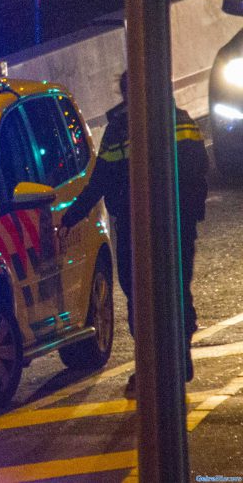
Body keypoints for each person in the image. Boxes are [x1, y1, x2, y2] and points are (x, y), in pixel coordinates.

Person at [59, 71, 208, 397]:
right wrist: (192, 214)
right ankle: (176, 357)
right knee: (174, 291)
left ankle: (155, 367)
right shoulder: (180, 122)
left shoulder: (120, 132)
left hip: (137, 229)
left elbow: (100, 181)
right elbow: (199, 169)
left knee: (141, 298)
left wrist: (71, 216)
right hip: (172, 225)